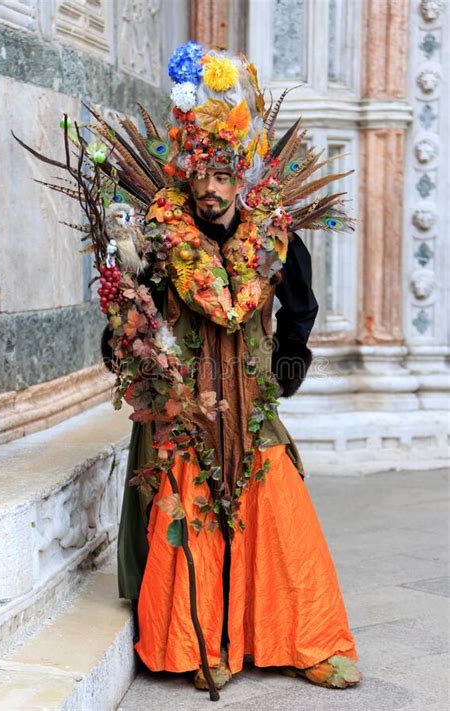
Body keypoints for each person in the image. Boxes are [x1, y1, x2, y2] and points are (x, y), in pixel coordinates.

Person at [104, 44, 362, 691]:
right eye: (203, 174)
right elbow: (124, 326)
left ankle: (308, 638)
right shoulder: (159, 241)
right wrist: (128, 332)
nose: (213, 188)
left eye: (225, 173)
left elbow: (300, 310)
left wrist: (285, 365)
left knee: (280, 513)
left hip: (252, 403)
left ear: (240, 173)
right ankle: (201, 643)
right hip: (186, 411)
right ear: (187, 174)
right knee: (189, 514)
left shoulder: (277, 235)